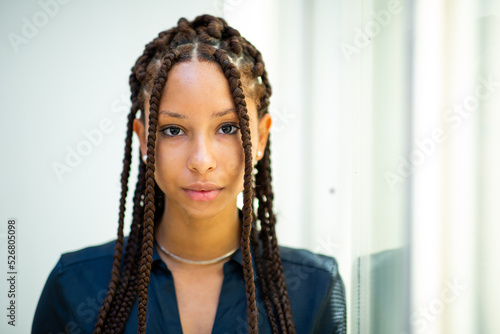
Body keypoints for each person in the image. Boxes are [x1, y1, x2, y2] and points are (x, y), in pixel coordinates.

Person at [32, 14, 346, 334]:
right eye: (173, 130)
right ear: (144, 140)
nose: (201, 161)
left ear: (261, 138)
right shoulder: (73, 285)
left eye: (227, 128)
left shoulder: (315, 286)